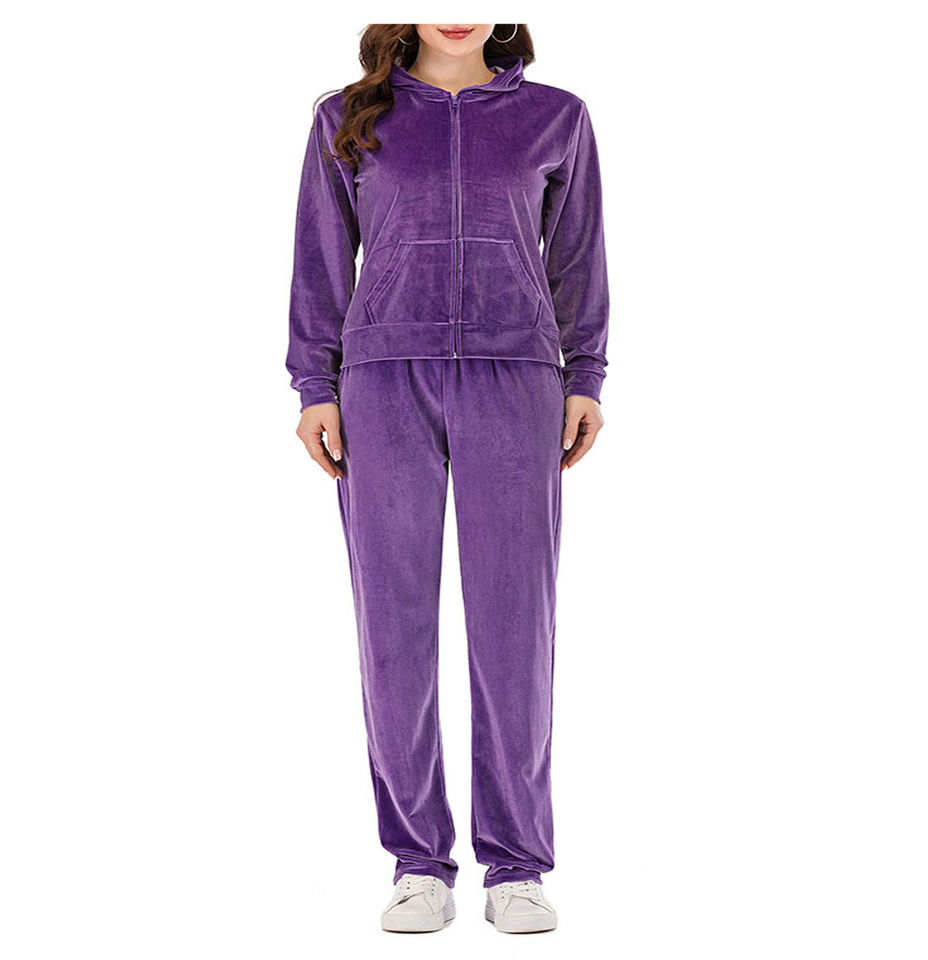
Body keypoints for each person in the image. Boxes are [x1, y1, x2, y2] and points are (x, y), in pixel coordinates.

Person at [286, 23, 609, 933]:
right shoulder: (347, 118)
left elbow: (577, 258)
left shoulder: (557, 119)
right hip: (382, 382)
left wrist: (585, 376)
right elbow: (320, 260)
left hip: (518, 379)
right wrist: (316, 386)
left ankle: (516, 865)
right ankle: (418, 863)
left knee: (515, 627)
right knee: (392, 628)